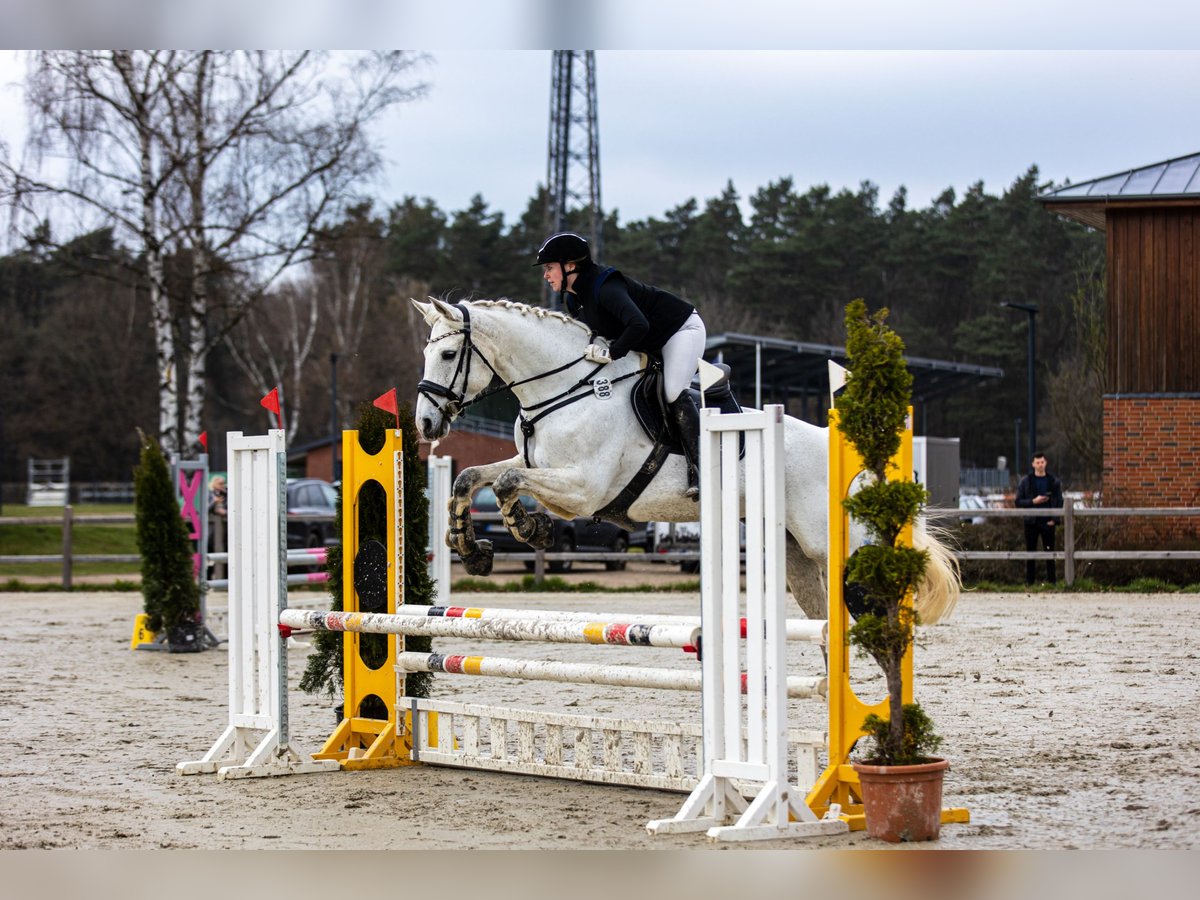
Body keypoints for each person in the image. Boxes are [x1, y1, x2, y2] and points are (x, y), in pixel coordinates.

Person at [535, 231, 707, 499]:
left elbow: (639, 324)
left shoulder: (606, 288)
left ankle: (701, 468)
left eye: (549, 268)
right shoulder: (572, 299)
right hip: (647, 343)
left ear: (570, 266)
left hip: (680, 331)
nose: (546, 275)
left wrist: (612, 353)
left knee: (673, 390)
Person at [1014, 452, 1064, 585]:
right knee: (1030, 553)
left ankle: (1052, 582)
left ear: (1045, 463)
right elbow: (1018, 501)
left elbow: (1059, 501)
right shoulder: (1026, 482)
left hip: (1048, 521)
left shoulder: (1053, 481)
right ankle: (1030, 582)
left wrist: (1054, 519)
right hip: (1031, 522)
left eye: (1042, 462)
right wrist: (1033, 502)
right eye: (1037, 462)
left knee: (1050, 553)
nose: (1040, 465)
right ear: (1033, 464)